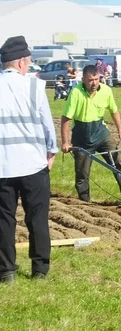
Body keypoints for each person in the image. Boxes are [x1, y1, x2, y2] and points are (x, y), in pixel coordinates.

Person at [0, 35, 58, 283]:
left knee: (4, 219)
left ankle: (7, 271)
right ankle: (40, 270)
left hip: (3, 165)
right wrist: (51, 151)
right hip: (34, 164)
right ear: (22, 62)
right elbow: (47, 124)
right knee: (37, 218)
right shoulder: (35, 86)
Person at [60, 65, 121, 204]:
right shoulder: (76, 92)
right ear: (83, 79)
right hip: (82, 136)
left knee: (117, 163)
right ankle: (85, 202)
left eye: (96, 79)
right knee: (82, 173)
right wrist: (65, 142)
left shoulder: (106, 90)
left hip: (101, 133)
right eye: (90, 80)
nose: (94, 83)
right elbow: (66, 118)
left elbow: (114, 111)